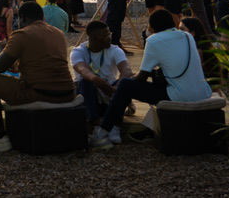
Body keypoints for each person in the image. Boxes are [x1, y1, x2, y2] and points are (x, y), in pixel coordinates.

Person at [89, 8, 212, 150]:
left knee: (125, 85)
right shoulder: (187, 36)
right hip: (203, 92)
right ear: (173, 22)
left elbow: (141, 77)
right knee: (139, 83)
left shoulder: (153, 40)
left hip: (181, 96)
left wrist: (131, 77)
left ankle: (102, 133)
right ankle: (119, 129)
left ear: (152, 28)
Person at [0, 1, 76, 152]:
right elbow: (45, 63)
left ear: (22, 18)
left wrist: (0, 50)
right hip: (67, 93)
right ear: (41, 17)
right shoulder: (58, 33)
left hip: (40, 93)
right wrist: (19, 67)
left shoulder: (21, 34)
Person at [71, 20, 133, 125]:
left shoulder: (115, 50)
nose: (110, 38)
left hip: (108, 92)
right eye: (106, 36)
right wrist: (96, 80)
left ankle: (115, 128)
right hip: (87, 97)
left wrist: (117, 86)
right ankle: (94, 124)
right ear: (93, 38)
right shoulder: (78, 51)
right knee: (85, 82)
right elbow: (82, 69)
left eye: (109, 34)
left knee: (125, 83)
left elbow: (126, 69)